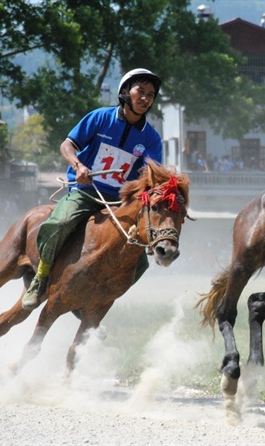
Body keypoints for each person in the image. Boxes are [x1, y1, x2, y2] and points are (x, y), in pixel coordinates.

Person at [21, 68, 163, 310]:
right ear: (125, 92)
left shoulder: (151, 139)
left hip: (119, 203)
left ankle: (97, 302)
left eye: (151, 94)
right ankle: (40, 278)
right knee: (59, 224)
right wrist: (78, 166)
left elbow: (151, 176)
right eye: (141, 90)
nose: (145, 98)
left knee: (141, 264)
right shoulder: (99, 118)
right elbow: (67, 145)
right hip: (85, 192)